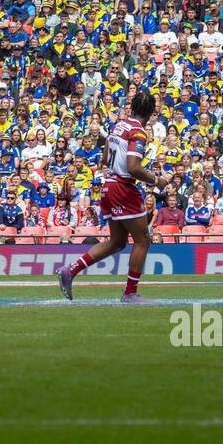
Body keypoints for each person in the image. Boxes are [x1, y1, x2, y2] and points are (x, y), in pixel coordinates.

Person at [58, 92, 162, 304]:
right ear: (151, 112)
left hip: (109, 185)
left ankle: (71, 270)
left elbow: (105, 157)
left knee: (117, 242)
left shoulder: (119, 125)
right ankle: (130, 293)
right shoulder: (138, 132)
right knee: (142, 239)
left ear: (132, 107)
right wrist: (155, 179)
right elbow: (133, 167)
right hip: (123, 187)